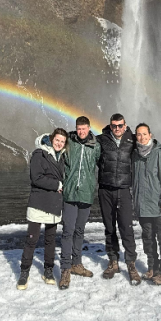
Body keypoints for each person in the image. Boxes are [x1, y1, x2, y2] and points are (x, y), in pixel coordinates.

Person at [17, 128, 68, 290]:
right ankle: (24, 272)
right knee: (31, 239)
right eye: (57, 140)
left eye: (62, 141)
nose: (59, 143)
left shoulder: (62, 157)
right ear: (51, 139)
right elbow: (36, 178)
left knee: (50, 240)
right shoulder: (39, 154)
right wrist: (57, 185)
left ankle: (48, 270)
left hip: (54, 204)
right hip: (38, 203)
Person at [97, 113, 141, 285]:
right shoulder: (102, 139)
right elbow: (84, 144)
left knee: (126, 228)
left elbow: (148, 145)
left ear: (125, 125)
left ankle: (131, 264)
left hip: (123, 189)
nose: (117, 128)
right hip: (105, 189)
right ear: (110, 126)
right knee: (109, 228)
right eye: (114, 126)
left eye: (120, 125)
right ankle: (113, 261)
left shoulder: (132, 139)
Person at [58, 116, 101, 290]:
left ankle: (77, 264)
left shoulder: (96, 146)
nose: (81, 131)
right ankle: (65, 269)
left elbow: (107, 164)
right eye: (79, 128)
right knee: (67, 231)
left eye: (84, 128)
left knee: (79, 231)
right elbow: (51, 145)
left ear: (89, 128)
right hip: (70, 193)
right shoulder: (69, 142)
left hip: (86, 194)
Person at [131, 123, 161, 286]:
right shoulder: (134, 155)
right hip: (143, 206)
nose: (142, 137)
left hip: (159, 206)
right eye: (138, 134)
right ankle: (153, 268)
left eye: (144, 134)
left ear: (150, 135)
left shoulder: (159, 156)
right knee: (148, 239)